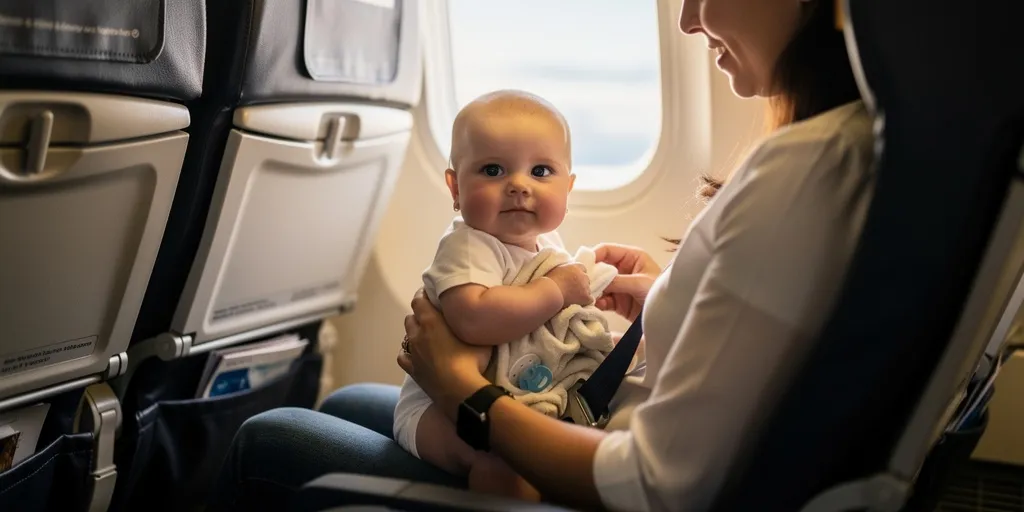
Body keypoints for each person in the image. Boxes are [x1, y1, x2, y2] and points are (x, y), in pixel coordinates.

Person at [208, 0, 872, 509]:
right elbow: (746, 332)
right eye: (492, 171)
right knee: (350, 398)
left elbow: (656, 483)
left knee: (268, 438)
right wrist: (671, 293)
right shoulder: (846, 153)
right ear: (455, 185)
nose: (690, 19)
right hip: (593, 422)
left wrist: (465, 393)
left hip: (599, 464)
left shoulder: (804, 174)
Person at [392, 89, 617, 501]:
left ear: (568, 187)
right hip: (437, 410)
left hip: (512, 399)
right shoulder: (468, 245)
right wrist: (555, 290)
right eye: (493, 170)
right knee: (498, 461)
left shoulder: (547, 243)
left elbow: (556, 317)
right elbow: (474, 319)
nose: (518, 185)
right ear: (455, 187)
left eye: (541, 172)